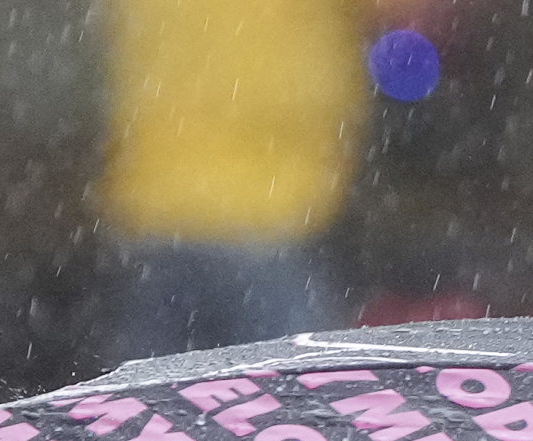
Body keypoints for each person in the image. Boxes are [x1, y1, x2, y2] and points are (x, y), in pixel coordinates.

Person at [98, 0, 425, 358]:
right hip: (269, 206)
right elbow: (410, 16)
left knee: (152, 397)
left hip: (160, 206)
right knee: (298, 390)